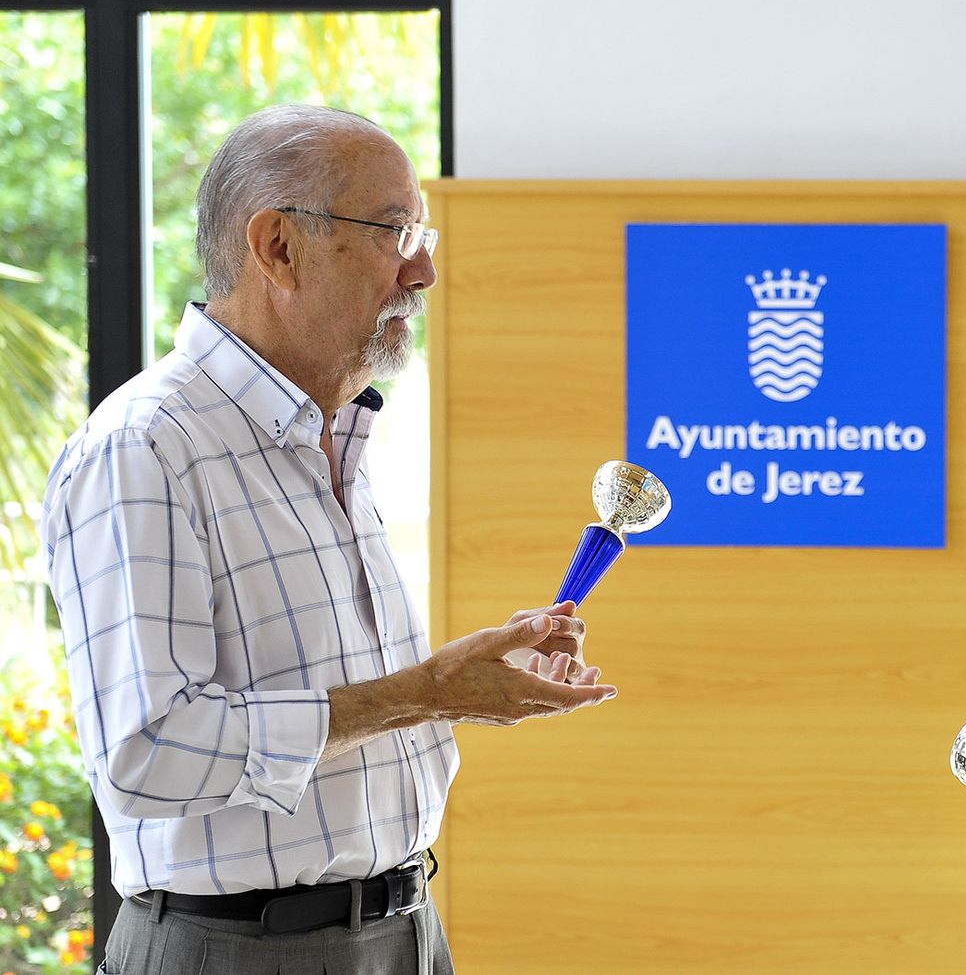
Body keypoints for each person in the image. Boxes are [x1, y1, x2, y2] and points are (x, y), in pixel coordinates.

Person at [41, 105, 616, 974]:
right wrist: (424, 692)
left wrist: (459, 684)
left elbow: (335, 687)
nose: (423, 271)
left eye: (422, 236)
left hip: (408, 932)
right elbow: (147, 751)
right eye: (395, 233)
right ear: (278, 247)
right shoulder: (146, 446)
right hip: (240, 949)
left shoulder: (336, 431)